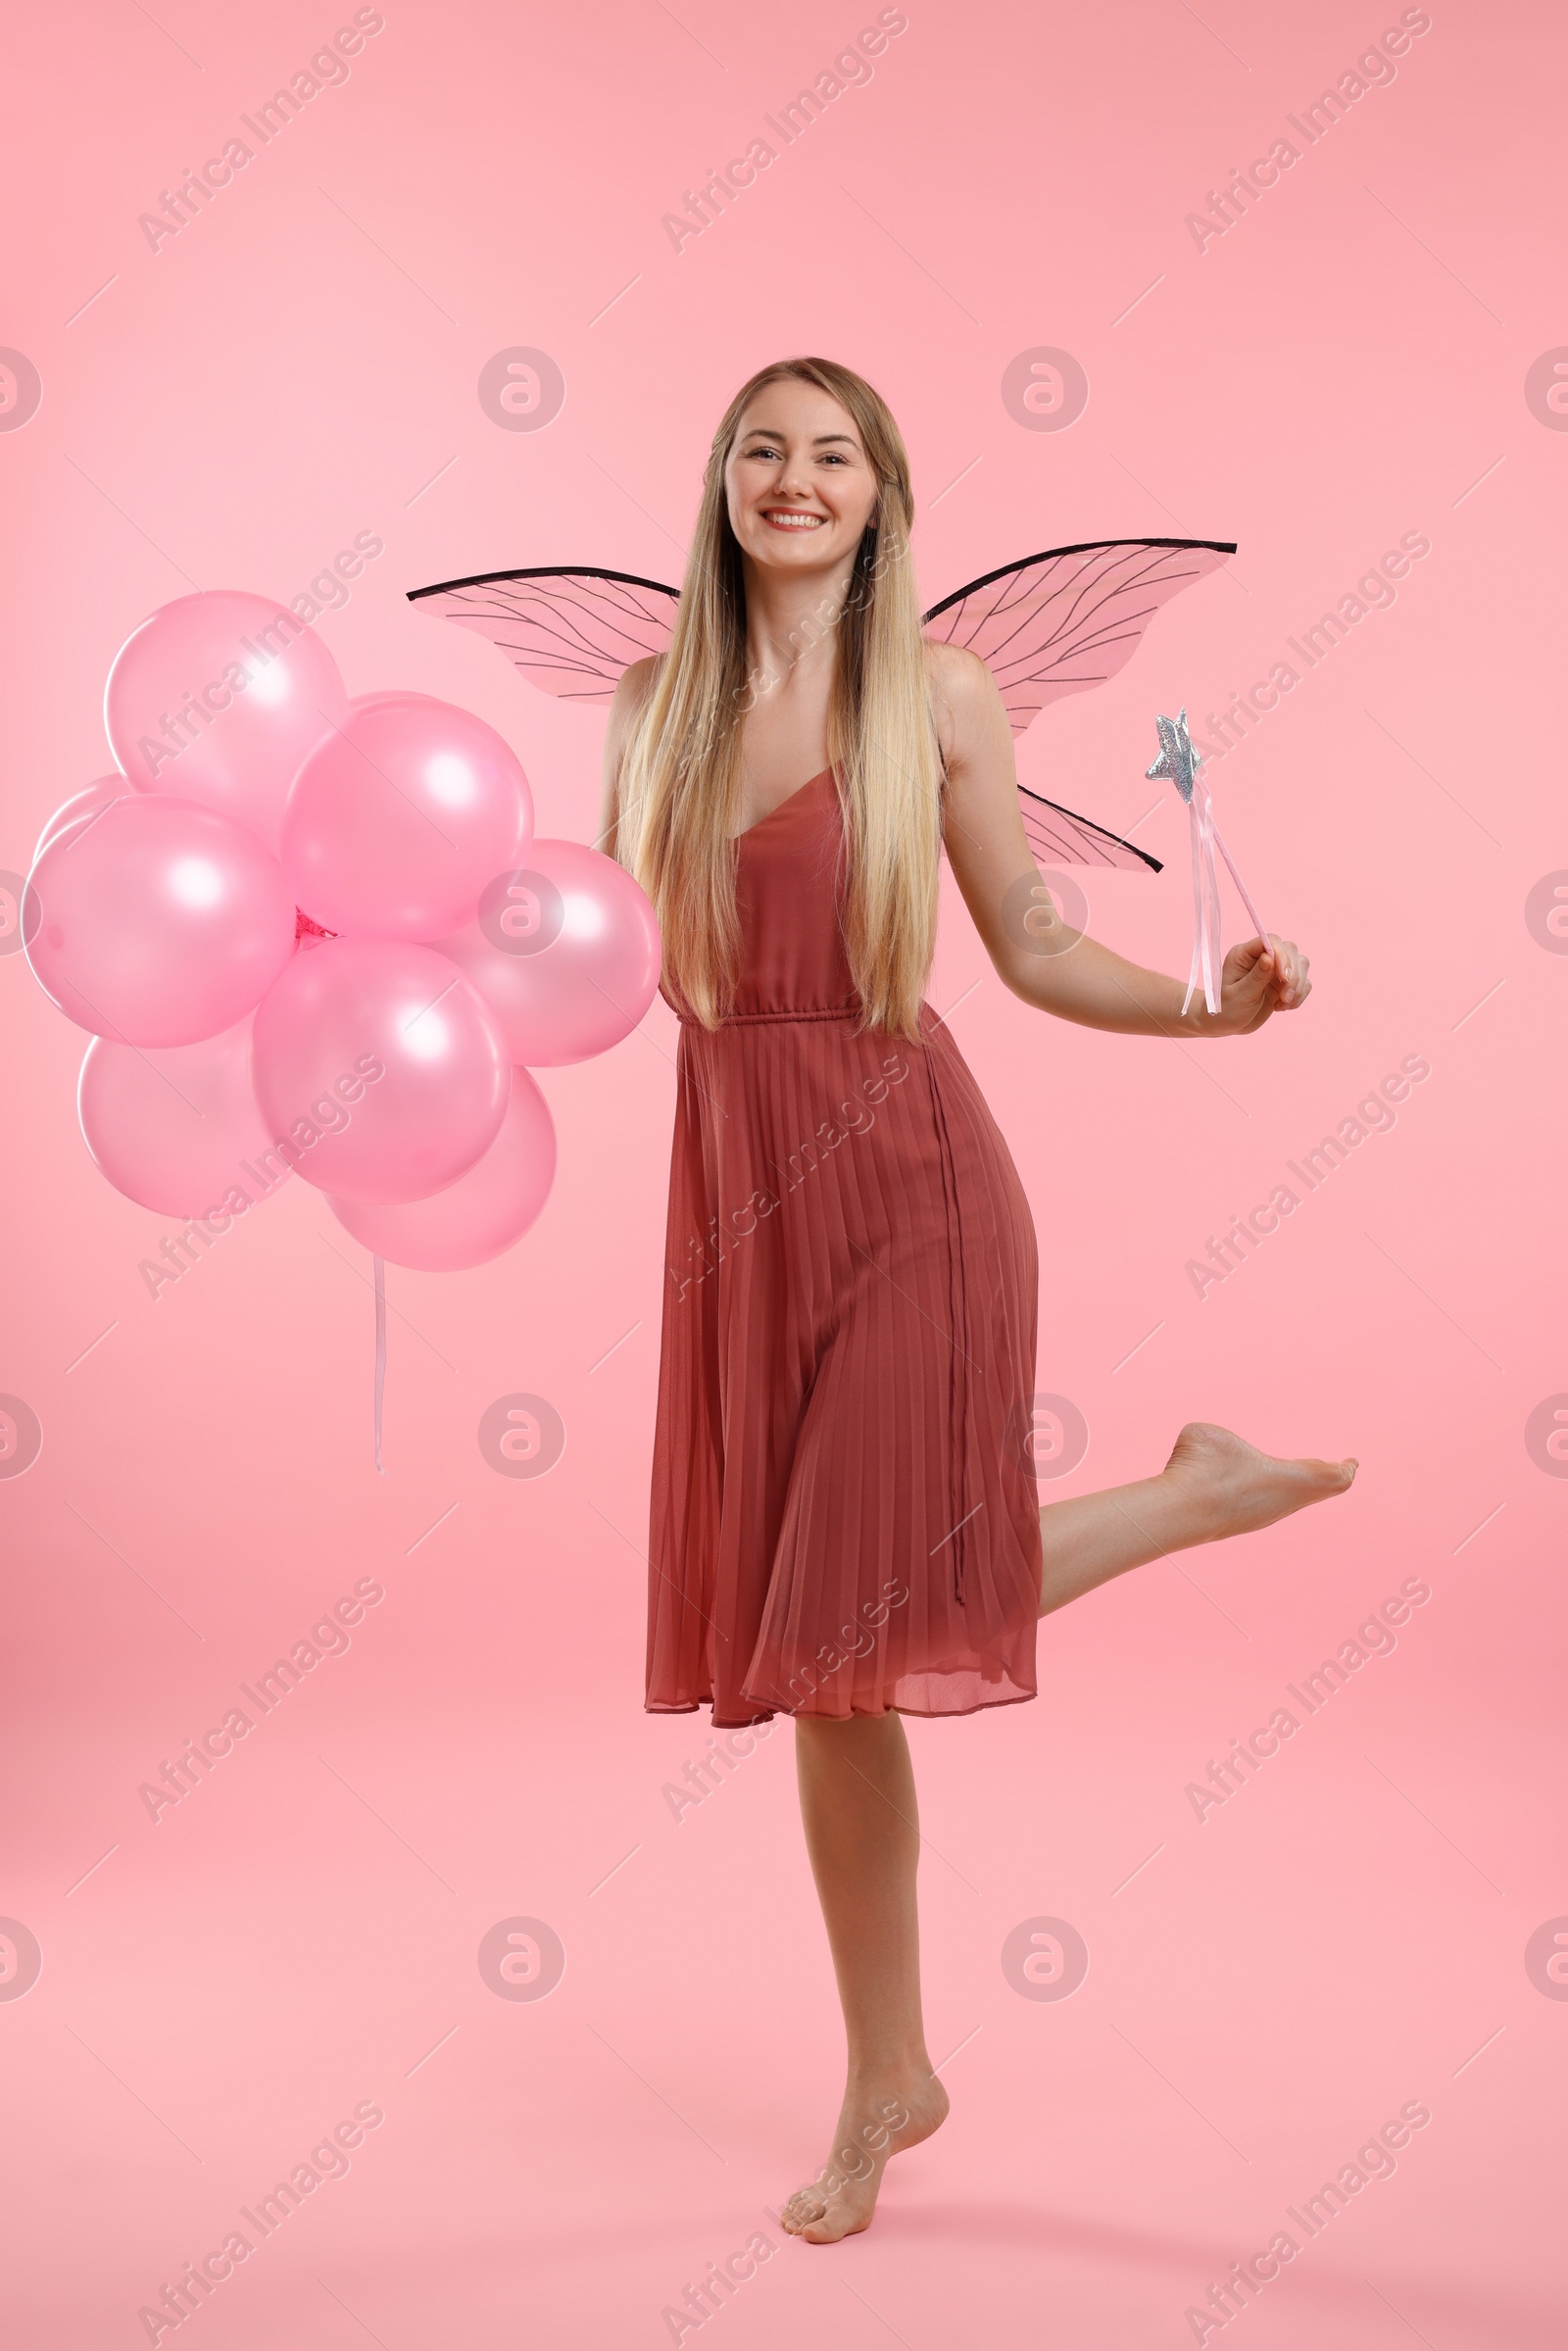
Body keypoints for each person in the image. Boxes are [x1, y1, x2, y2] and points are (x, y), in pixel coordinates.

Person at [597, 357, 1355, 2244]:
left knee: (846, 1642)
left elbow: (1023, 937)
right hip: (732, 1201)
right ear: (719, 483)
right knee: (829, 1680)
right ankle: (900, 2069)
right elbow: (601, 955)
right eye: (763, 449)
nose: (795, 478)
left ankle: (877, 2091)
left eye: (831, 454)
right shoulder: (646, 707)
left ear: (880, 495)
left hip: (907, 1171)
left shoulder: (935, 690)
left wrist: (1214, 1002)